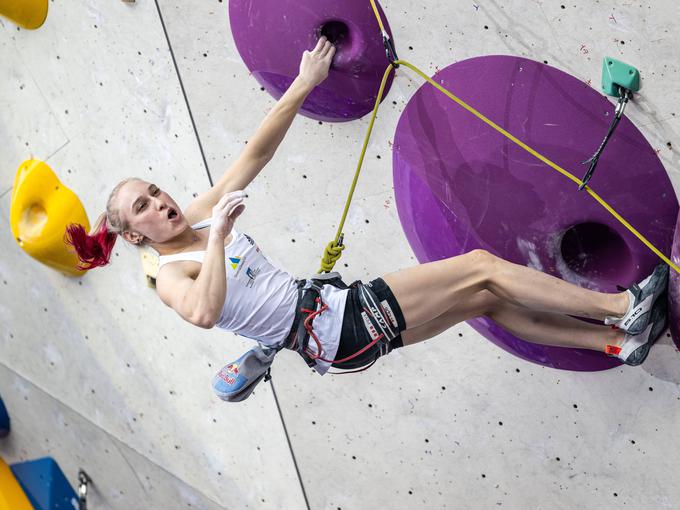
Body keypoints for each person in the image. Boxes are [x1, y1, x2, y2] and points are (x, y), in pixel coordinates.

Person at [65, 36, 670, 378]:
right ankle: (623, 307)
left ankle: (616, 345)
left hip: (331, 328)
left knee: (482, 301)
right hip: (334, 323)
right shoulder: (170, 273)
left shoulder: (191, 217)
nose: (159, 201)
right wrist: (220, 236)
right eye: (144, 207)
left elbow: (253, 155)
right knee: (482, 266)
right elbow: (200, 313)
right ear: (137, 236)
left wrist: (303, 83)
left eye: (154, 190)